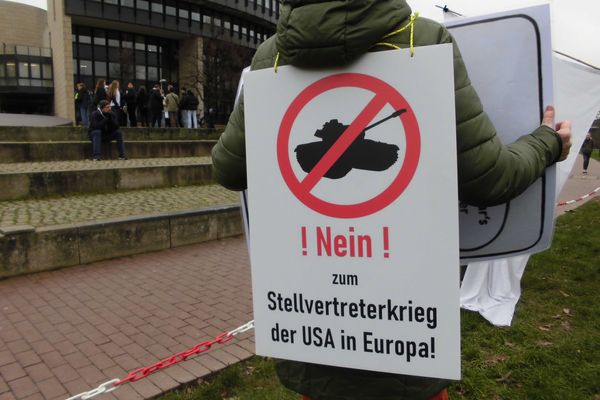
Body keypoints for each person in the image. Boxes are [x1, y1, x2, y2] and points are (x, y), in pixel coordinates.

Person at [211, 1, 572, 399]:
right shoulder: (422, 40)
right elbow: (490, 178)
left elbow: (228, 170)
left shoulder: (271, 58)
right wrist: (547, 141)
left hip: (313, 342)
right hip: (407, 343)